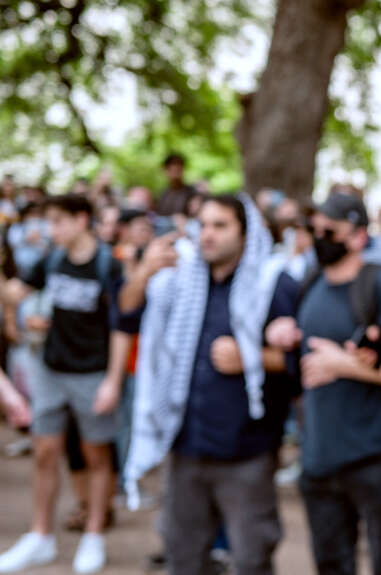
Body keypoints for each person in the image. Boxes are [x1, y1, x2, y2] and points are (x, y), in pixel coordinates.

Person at [119, 194, 299, 575]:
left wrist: (253, 358)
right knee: (183, 556)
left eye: (221, 226)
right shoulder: (179, 280)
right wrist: (143, 272)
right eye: (204, 225)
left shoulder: (273, 285)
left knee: (251, 559)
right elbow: (126, 314)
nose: (209, 235)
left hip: (247, 453)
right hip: (186, 448)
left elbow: (302, 360)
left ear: (246, 234)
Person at [265, 192, 381, 575]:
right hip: (320, 457)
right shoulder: (310, 285)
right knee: (330, 563)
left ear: (357, 236)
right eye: (314, 229)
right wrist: (284, 334)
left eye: (330, 230)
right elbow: (302, 360)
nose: (319, 236)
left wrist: (345, 366)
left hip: (378, 456)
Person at [0, 194, 126, 574]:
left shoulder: (107, 265)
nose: (50, 230)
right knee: (44, 451)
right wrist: (17, 316)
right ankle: (41, 535)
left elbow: (123, 327)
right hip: (50, 368)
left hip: (92, 373)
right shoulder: (51, 260)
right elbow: (15, 292)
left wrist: (114, 381)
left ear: (81, 219)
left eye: (57, 222)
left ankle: (93, 534)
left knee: (96, 455)